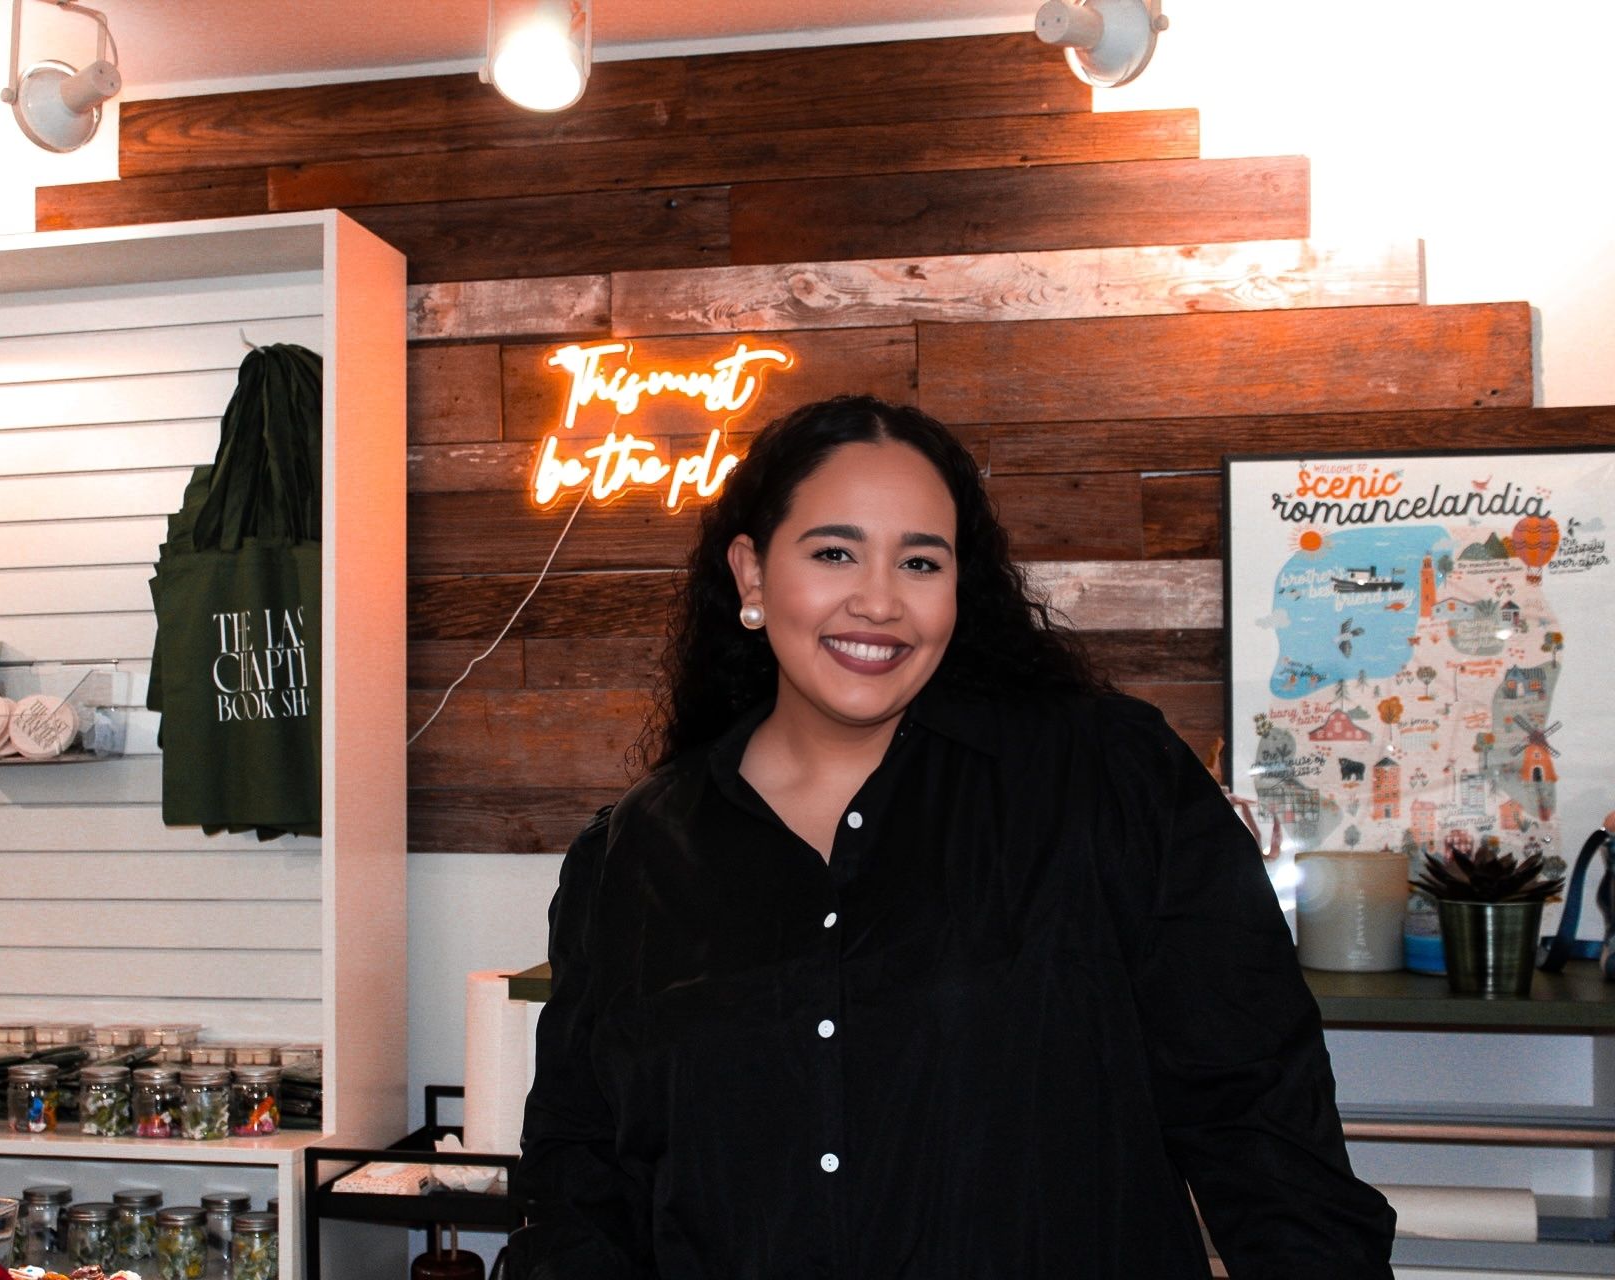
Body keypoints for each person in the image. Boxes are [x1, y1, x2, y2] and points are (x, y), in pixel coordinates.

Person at [511, 395, 1395, 1278]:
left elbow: (1263, 1124)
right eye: (833, 553)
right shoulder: (631, 854)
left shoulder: (1107, 779)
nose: (879, 601)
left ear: (959, 587)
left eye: (921, 562)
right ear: (751, 576)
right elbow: (583, 1186)